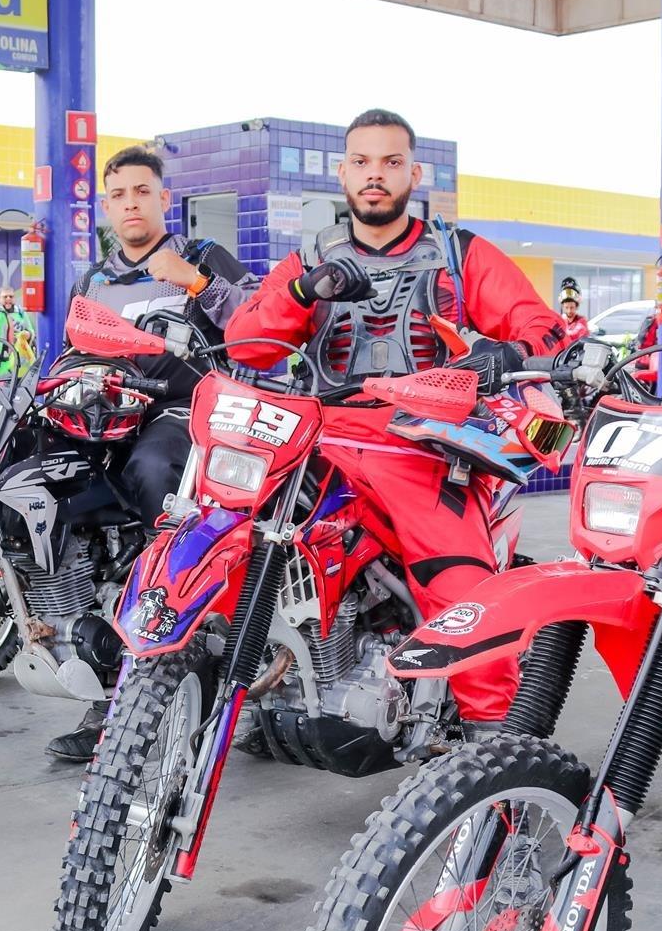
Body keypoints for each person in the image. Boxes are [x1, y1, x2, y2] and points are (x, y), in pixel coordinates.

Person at [226, 109, 565, 737]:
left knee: (459, 584)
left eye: (390, 162)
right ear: (342, 173)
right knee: (223, 532)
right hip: (317, 438)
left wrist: (510, 352)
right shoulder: (310, 259)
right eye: (361, 162)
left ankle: (494, 743)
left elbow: (540, 325)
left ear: (414, 173)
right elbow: (246, 344)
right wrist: (303, 292)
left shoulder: (459, 255)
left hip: (423, 443)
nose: (374, 175)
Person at [43, 145, 260, 763]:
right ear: (107, 206)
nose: (131, 204)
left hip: (181, 411)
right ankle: (74, 634)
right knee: (28, 476)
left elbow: (258, 325)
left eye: (143, 192)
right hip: (99, 413)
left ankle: (171, 636)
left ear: (165, 199)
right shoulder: (95, 279)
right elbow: (71, 350)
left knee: (152, 470)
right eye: (119, 195)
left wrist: (196, 282)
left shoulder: (202, 255)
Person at [558, 279, 590, 343]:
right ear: (563, 307)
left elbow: (581, 336)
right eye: (566, 307)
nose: (569, 311)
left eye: (572, 307)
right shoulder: (559, 321)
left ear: (576, 307)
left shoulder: (582, 321)